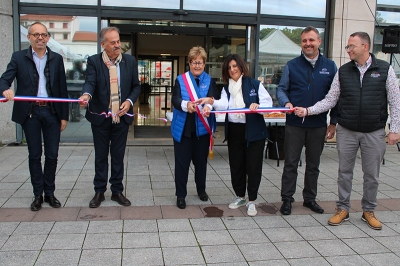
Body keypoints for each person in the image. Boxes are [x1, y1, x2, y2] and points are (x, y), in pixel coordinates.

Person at [296, 31, 400, 230]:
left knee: (372, 175)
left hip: (374, 131)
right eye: (347, 46)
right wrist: (308, 111)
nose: (348, 50)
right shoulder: (343, 71)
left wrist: (395, 129)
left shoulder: (385, 69)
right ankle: (342, 208)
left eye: (352, 46)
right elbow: (330, 99)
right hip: (347, 131)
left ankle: (368, 210)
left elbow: (396, 102)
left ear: (365, 47)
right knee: (344, 173)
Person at [0, 22, 69, 211]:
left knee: (53, 155)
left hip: (52, 112)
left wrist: (64, 116)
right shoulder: (18, 58)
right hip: (30, 113)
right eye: (36, 34)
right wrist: (5, 89)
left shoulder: (56, 59)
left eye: (44, 35)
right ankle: (38, 194)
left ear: (48, 38)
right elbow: (5, 79)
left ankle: (50, 193)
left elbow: (62, 88)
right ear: (29, 37)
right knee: (34, 155)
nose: (40, 37)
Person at [276, 26, 338, 215]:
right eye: (304, 41)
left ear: (319, 41)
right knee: (291, 164)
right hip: (294, 124)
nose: (308, 44)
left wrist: (333, 122)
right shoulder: (292, 65)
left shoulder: (330, 66)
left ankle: (309, 199)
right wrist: (285, 102)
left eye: (311, 40)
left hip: (318, 124)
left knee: (313, 165)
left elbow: (336, 96)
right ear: (301, 43)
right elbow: (281, 89)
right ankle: (287, 199)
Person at [79, 27, 141, 208]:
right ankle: (99, 191)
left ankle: (117, 191)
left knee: (118, 155)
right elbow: (90, 82)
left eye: (118, 41)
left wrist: (129, 101)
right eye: (112, 42)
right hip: (101, 118)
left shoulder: (129, 61)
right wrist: (86, 96)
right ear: (103, 44)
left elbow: (136, 86)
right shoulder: (94, 62)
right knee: (100, 155)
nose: (117, 45)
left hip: (121, 117)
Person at [214, 54, 273, 216]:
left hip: (254, 130)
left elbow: (268, 103)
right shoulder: (226, 88)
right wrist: (211, 102)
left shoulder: (254, 84)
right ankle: (240, 196)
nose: (232, 70)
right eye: (229, 67)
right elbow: (223, 104)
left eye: (235, 66)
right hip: (234, 131)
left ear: (241, 66)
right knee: (237, 165)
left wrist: (258, 105)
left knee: (253, 166)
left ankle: (252, 200)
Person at [171, 46, 218, 209]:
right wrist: (187, 105)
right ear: (189, 63)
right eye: (194, 62)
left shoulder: (209, 80)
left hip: (201, 130)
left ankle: (201, 190)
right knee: (181, 165)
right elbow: (175, 100)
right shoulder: (180, 79)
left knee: (201, 163)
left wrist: (208, 108)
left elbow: (213, 99)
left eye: (200, 62)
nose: (197, 65)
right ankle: (181, 195)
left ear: (204, 64)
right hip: (183, 130)